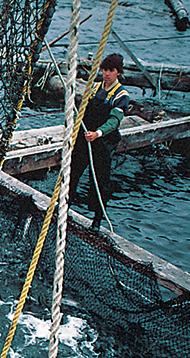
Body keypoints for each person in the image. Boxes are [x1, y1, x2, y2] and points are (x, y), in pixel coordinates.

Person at [68, 53, 130, 230]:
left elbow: (115, 120)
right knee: (73, 172)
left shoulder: (121, 95)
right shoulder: (94, 88)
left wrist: (98, 133)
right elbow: (82, 111)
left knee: (99, 180)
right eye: (104, 69)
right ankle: (65, 205)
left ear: (118, 72)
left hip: (102, 142)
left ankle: (97, 218)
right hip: (84, 137)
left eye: (111, 70)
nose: (106, 73)